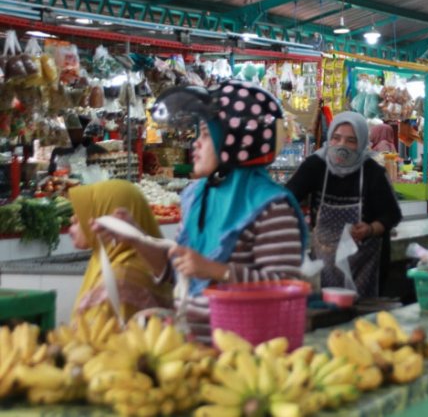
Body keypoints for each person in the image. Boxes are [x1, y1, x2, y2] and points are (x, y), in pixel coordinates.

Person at [94, 80, 306, 343]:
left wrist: (215, 270)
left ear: (234, 141)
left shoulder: (271, 207)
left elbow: (283, 285)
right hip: (192, 341)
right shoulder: (196, 195)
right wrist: (136, 237)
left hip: (246, 349)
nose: (195, 144)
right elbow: (177, 273)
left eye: (206, 134)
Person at [286, 111, 402, 298]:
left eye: (351, 140)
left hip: (364, 262)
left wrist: (370, 228)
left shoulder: (373, 173)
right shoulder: (316, 165)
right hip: (324, 259)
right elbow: (288, 199)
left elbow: (391, 214)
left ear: (363, 142)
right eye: (336, 138)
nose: (342, 146)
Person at [69, 179, 173, 321]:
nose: (73, 219)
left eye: (82, 214)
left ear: (105, 215)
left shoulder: (124, 277)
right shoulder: (103, 259)